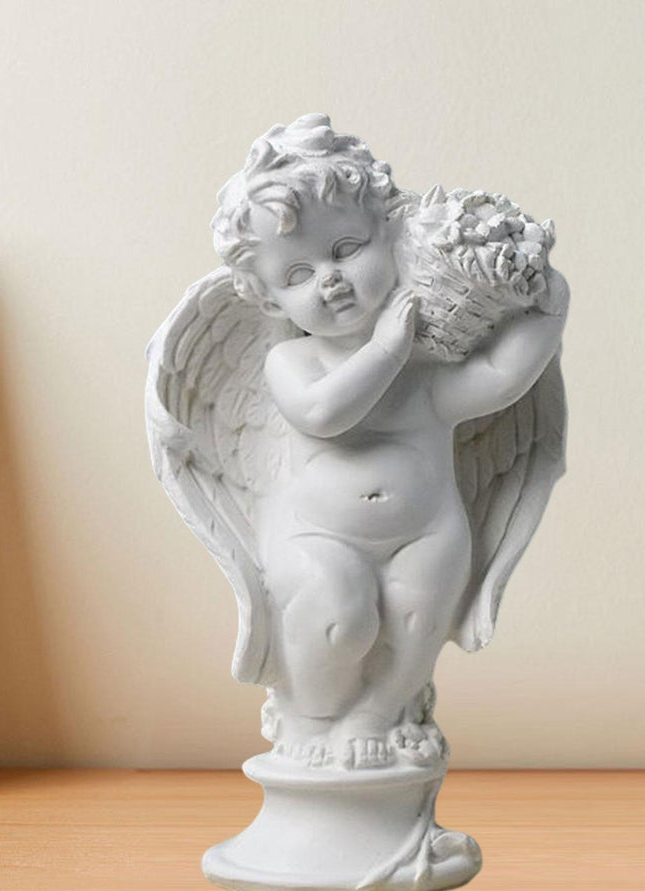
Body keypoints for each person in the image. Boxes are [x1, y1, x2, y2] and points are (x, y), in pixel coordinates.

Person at [210, 114, 568, 768]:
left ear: (391, 237)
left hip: (427, 530)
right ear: (270, 301)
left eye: (346, 248)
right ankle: (314, 717)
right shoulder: (293, 362)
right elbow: (323, 413)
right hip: (317, 536)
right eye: (297, 275)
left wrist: (550, 306)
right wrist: (384, 349)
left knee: (416, 617)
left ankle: (379, 712)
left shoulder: (422, 369)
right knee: (336, 614)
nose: (329, 278)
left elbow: (499, 379)